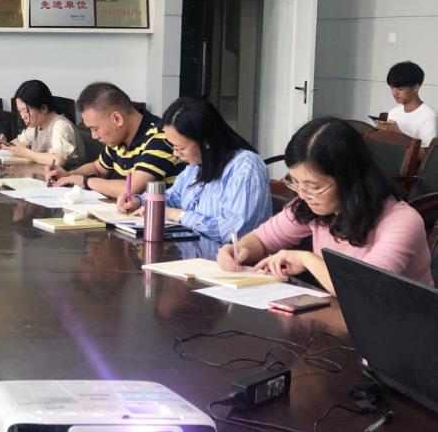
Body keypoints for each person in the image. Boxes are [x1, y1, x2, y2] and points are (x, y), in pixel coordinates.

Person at [217, 117, 433, 294]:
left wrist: (307, 259)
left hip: (403, 327)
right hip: (340, 320)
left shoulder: (401, 221)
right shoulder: (309, 205)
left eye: (314, 186)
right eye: (295, 182)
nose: (303, 194)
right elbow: (262, 239)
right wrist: (239, 251)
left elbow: (364, 289)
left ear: (349, 178)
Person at [116, 97, 269, 243]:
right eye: (172, 146)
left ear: (206, 142)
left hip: (228, 259)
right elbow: (174, 197)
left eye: (180, 148)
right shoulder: (195, 167)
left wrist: (178, 215)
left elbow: (235, 232)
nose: (175, 154)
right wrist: (140, 201)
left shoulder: (246, 167)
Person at [45, 82, 184, 199]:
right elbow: (98, 168)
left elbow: (131, 189)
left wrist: (85, 181)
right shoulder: (118, 139)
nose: (94, 136)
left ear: (117, 119)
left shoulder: (161, 136)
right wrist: (68, 176)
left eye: (95, 129)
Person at [0, 79, 84, 166]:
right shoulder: (35, 126)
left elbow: (57, 161)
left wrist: (25, 153)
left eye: (25, 110)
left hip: (70, 175)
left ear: (43, 108)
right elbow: (20, 143)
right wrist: (4, 144)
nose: (23, 116)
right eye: (20, 111)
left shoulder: (61, 126)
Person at [377, 60, 437, 144]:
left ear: (415, 88)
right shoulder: (394, 112)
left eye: (400, 89)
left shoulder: (428, 116)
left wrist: (398, 133)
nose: (394, 93)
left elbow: (426, 151)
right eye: (392, 88)